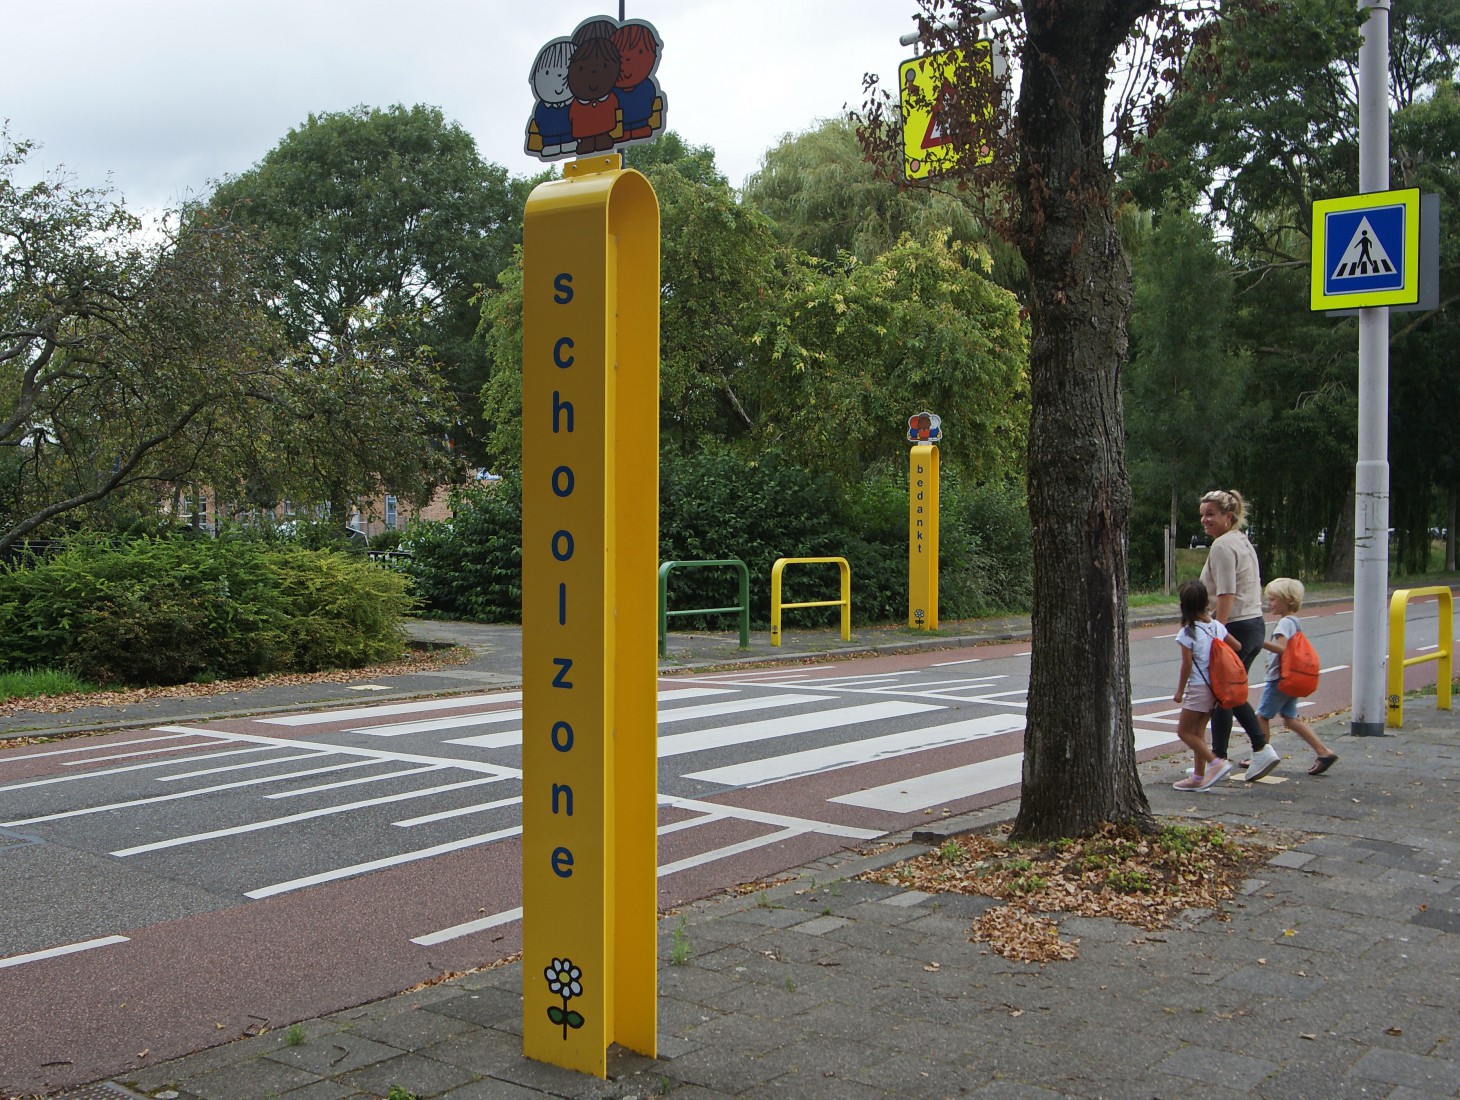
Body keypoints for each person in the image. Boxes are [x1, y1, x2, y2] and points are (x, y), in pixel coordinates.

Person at [1198, 489, 1280, 781]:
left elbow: (1226, 592)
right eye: (1202, 515)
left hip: (1235, 625)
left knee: (1227, 692)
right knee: (1225, 694)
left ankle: (1256, 748)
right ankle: (1221, 757)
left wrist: (1216, 633)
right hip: (1254, 623)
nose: (1205, 521)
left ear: (1227, 516)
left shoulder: (1221, 546)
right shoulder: (1242, 541)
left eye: (1211, 514)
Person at [1259, 578, 1339, 775]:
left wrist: (1257, 642)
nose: (1269, 603)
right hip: (1292, 677)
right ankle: (1323, 751)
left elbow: (1280, 648)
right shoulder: (1295, 621)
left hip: (1280, 679)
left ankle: (1261, 756)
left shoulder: (1284, 623)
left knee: (1262, 716)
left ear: (1287, 600)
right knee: (1290, 719)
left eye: (1273, 599)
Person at [1171, 580, 1238, 791]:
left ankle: (1216, 763)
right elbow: (1237, 646)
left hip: (1198, 688)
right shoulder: (1216, 626)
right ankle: (1198, 778)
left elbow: (1187, 665)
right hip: (1215, 688)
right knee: (1198, 732)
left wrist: (1180, 691)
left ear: (1185, 606)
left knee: (1184, 731)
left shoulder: (1187, 633)